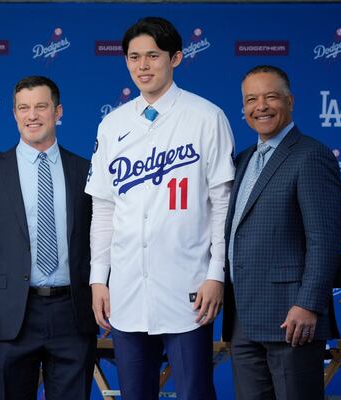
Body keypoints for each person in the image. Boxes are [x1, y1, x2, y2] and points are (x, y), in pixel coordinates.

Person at [85, 17, 235, 400]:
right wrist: (99, 278)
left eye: (153, 55)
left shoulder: (206, 117)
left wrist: (215, 273)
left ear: (177, 58)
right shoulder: (112, 124)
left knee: (193, 393)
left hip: (188, 287)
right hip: (126, 289)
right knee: (135, 394)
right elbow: (103, 208)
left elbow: (222, 204)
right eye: (134, 57)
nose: (143, 65)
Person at [0, 76, 97, 400]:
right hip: (9, 315)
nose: (32, 115)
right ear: (14, 114)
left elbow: (102, 241)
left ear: (58, 111)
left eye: (41, 106)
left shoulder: (86, 171)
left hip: (73, 314)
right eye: (23, 108)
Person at [223, 65, 341, 400]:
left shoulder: (311, 156)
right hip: (244, 318)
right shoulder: (243, 159)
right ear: (244, 109)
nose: (260, 106)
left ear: (290, 102)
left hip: (292, 318)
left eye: (270, 96)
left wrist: (307, 304)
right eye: (251, 99)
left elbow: (325, 240)